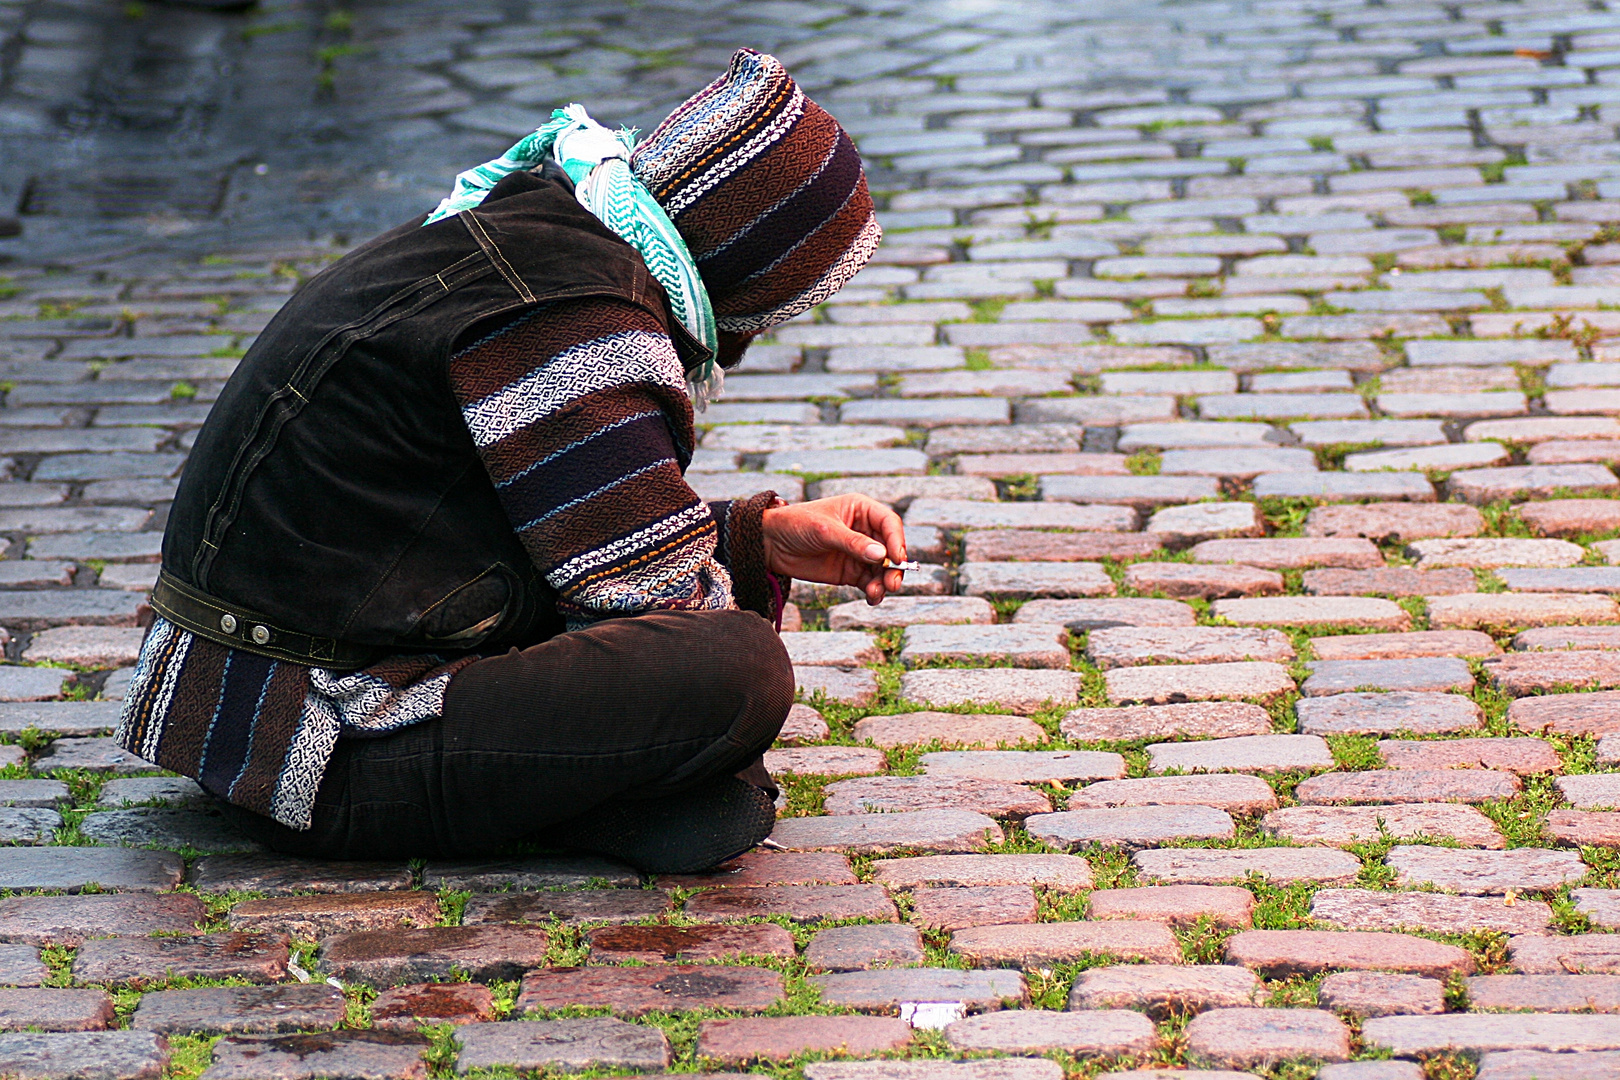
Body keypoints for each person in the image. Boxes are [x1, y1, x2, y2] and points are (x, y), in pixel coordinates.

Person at [115, 49, 904, 873]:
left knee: (707, 744)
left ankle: (609, 799)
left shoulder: (540, 228)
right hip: (304, 744)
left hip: (229, 709)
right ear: (753, 270)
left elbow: (528, 524)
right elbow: (657, 605)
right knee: (735, 670)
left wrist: (758, 537)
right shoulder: (578, 313)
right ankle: (594, 803)